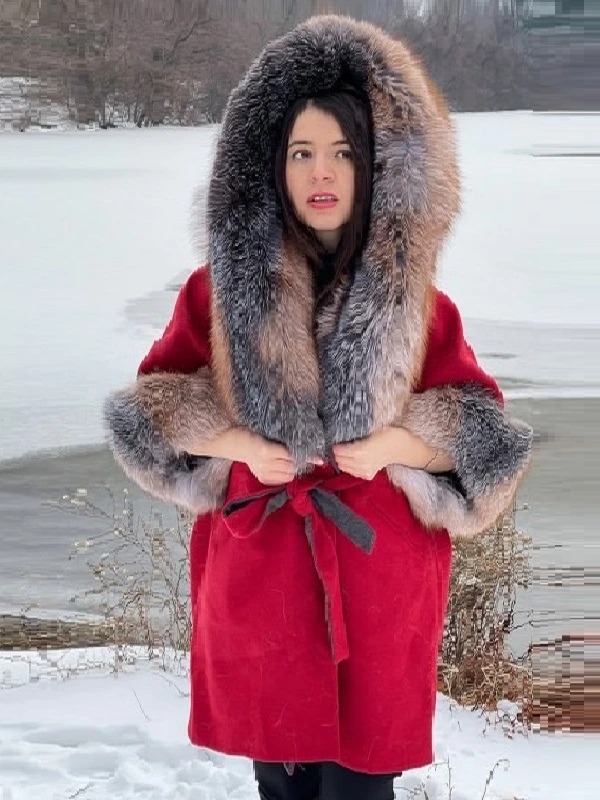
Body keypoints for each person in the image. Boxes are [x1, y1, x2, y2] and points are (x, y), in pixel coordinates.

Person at [104, 14, 533, 800]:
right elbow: (149, 418)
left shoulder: (424, 308)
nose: (320, 171)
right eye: (300, 152)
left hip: (377, 579)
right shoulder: (214, 294)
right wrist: (236, 439)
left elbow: (486, 448)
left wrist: (394, 446)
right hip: (260, 571)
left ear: (377, 168)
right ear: (272, 167)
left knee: (361, 786)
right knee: (282, 779)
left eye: (342, 151)